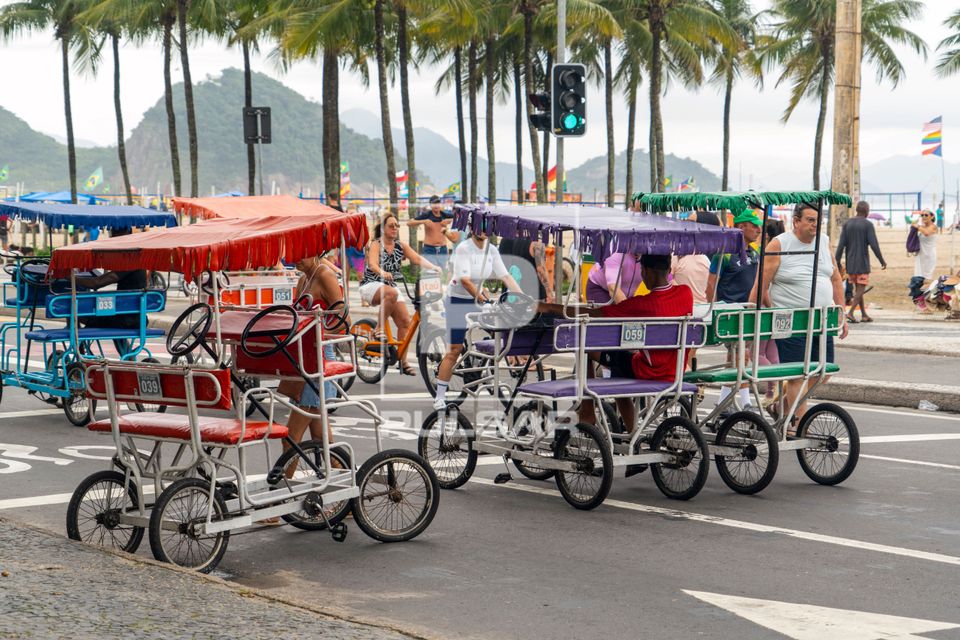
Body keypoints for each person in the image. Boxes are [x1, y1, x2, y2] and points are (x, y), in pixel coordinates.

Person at [539, 254, 693, 434]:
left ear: (647, 272)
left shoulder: (642, 304)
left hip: (649, 371)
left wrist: (550, 308)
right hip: (676, 371)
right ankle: (631, 431)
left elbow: (594, 314)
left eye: (642, 272)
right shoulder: (685, 293)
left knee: (585, 347)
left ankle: (589, 411)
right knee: (620, 366)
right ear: (668, 270)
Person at [752, 203, 848, 431]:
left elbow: (835, 278)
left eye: (818, 220)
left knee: (823, 372)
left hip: (821, 321)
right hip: (790, 321)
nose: (815, 225)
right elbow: (760, 286)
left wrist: (842, 311)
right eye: (810, 220)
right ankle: (801, 426)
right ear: (796, 221)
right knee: (798, 376)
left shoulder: (823, 242)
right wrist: (757, 314)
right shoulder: (780, 244)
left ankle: (781, 408)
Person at [433, 227, 522, 409]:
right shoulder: (464, 248)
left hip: (478, 296)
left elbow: (505, 276)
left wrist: (523, 296)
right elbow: (465, 280)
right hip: (458, 299)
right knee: (455, 350)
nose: (483, 230)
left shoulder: (491, 250)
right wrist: (484, 300)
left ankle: (482, 363)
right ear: (472, 228)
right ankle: (440, 397)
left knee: (499, 332)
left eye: (487, 226)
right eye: (479, 226)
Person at [359, 213, 441, 375]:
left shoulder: (400, 246)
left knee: (405, 322)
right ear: (383, 229)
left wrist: (434, 267)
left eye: (397, 225)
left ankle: (402, 361)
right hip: (371, 285)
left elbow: (417, 259)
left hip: (390, 287)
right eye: (391, 225)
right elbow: (373, 264)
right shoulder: (376, 244)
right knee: (391, 293)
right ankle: (378, 328)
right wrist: (382, 272)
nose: (395, 228)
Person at [707, 209, 762, 413]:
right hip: (729, 315)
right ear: (741, 227)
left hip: (748, 314)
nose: (758, 229)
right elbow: (711, 285)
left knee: (737, 358)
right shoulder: (724, 253)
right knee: (740, 357)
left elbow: (759, 283)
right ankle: (746, 403)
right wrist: (715, 312)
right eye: (754, 225)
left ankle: (722, 403)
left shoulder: (755, 253)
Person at [835, 200, 887, 323]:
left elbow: (841, 245)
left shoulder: (847, 224)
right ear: (867, 211)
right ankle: (851, 313)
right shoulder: (867, 225)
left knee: (858, 288)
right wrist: (881, 261)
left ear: (857, 210)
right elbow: (874, 245)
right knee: (861, 288)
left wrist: (836, 261)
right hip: (862, 263)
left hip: (850, 263)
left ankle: (864, 314)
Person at [672, 211, 719, 304]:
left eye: (690, 223)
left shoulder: (721, 257)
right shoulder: (679, 253)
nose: (685, 226)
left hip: (707, 311)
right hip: (686, 310)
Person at [406, 195, 460, 270]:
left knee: (442, 272)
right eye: (434, 204)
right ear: (430, 205)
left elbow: (460, 218)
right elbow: (409, 223)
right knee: (430, 273)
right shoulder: (427, 215)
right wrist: (424, 221)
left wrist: (449, 221)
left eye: (438, 203)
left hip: (442, 249)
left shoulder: (445, 215)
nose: (436, 206)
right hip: (429, 249)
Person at [499, 237, 555, 303]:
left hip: (520, 291)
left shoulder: (517, 241)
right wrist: (549, 292)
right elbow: (541, 270)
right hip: (536, 293)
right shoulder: (537, 245)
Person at [911, 210, 939, 311]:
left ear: (932, 217)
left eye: (926, 215)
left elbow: (927, 233)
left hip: (929, 256)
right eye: (922, 215)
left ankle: (926, 302)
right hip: (920, 256)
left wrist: (917, 226)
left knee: (927, 280)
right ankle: (921, 303)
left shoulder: (933, 227)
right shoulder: (922, 227)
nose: (923, 216)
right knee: (919, 279)